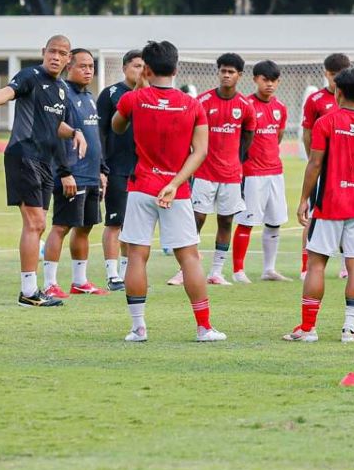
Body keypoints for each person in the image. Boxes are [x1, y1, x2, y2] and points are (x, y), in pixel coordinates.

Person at [112, 40, 226, 342]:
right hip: (176, 191)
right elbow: (200, 152)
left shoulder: (133, 100)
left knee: (136, 255)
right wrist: (174, 184)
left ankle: (138, 328)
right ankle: (203, 328)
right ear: (176, 69)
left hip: (140, 186)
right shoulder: (193, 105)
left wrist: (137, 88)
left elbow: (117, 127)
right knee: (189, 257)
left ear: (146, 69)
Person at [0, 35, 86, 308]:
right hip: (24, 155)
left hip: (45, 161)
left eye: (62, 53)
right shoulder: (29, 76)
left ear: (68, 58)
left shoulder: (61, 89)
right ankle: (28, 292)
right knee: (35, 223)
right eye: (52, 52)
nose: (56, 57)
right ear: (43, 52)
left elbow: (55, 126)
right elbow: (8, 92)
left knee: (39, 224)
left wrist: (75, 132)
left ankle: (31, 290)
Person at [284, 67, 354, 343]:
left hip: (329, 205)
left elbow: (315, 163)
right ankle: (349, 330)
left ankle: (307, 329)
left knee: (316, 265)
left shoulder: (326, 123)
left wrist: (304, 198)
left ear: (338, 92)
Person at [183, 53, 256, 287]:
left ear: (239, 75)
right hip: (204, 172)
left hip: (232, 175)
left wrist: (236, 159)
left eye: (231, 72)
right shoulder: (202, 101)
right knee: (197, 219)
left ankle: (216, 271)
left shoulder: (245, 106)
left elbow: (248, 135)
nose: (226, 75)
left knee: (226, 221)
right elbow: (190, 132)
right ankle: (184, 268)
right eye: (223, 70)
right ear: (218, 72)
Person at [43, 49, 108, 299]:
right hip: (72, 174)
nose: (88, 70)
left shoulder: (90, 97)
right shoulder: (62, 94)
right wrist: (64, 172)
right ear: (69, 66)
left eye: (91, 66)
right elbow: (55, 134)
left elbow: (95, 138)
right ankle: (49, 283)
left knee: (85, 227)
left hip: (91, 175)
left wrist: (102, 170)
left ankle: (79, 281)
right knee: (61, 226)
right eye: (82, 66)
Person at [231, 60, 291, 282]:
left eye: (274, 80)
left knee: (275, 221)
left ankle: (269, 269)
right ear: (255, 79)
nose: (270, 84)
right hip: (252, 172)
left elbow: (278, 136)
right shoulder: (246, 105)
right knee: (246, 220)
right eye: (265, 80)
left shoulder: (280, 108)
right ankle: (238, 271)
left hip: (275, 172)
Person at [95, 49, 143, 291]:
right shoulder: (111, 94)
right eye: (136, 66)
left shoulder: (151, 96)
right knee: (115, 223)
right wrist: (101, 166)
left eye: (144, 66)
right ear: (125, 68)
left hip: (143, 171)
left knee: (134, 226)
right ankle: (112, 274)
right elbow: (100, 131)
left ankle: (126, 274)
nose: (140, 71)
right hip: (117, 167)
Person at [300, 53, 351, 279]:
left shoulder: (351, 97)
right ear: (326, 74)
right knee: (312, 214)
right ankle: (305, 266)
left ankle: (345, 266)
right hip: (323, 168)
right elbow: (307, 134)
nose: (336, 81)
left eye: (340, 76)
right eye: (332, 76)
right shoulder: (315, 100)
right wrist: (316, 160)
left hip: (346, 168)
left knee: (347, 215)